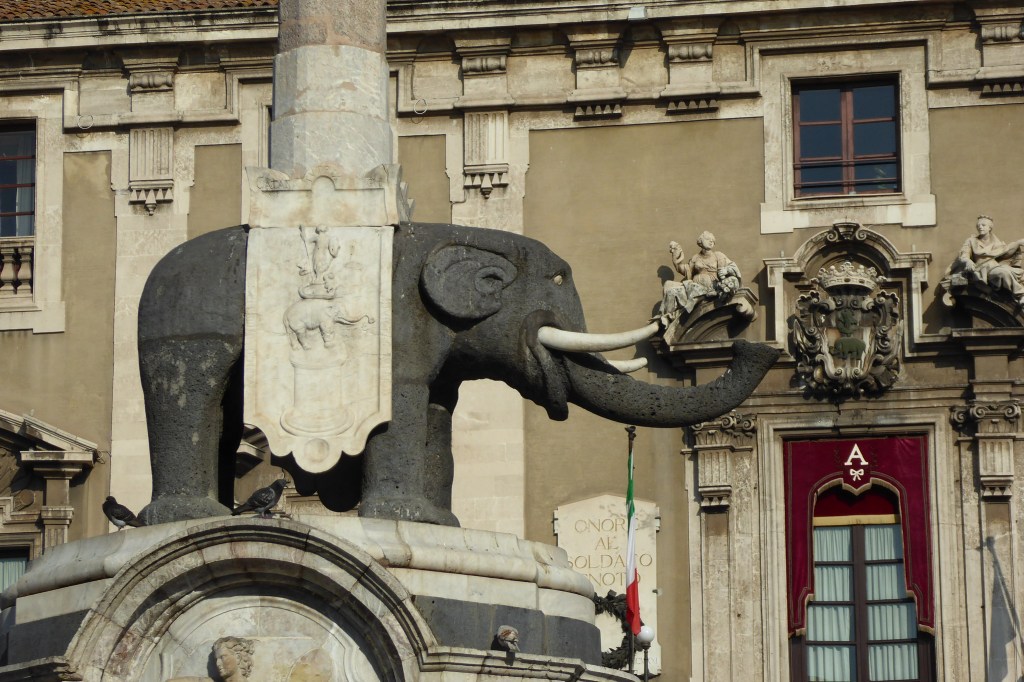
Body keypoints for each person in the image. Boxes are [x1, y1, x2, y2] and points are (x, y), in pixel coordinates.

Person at [658, 232, 741, 323]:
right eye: (708, 239)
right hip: (694, 286)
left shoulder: (718, 255)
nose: (711, 241)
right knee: (669, 289)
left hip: (710, 288)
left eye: (713, 240)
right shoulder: (695, 258)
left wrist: (726, 270)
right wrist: (676, 260)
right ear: (701, 241)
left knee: (683, 289)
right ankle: (667, 318)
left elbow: (733, 267)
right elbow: (687, 270)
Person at [950, 215, 1024, 306]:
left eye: (983, 225)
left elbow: (1006, 252)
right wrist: (968, 261)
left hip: (994, 267)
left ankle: (1020, 295)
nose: (980, 227)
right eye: (978, 225)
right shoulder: (971, 241)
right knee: (1003, 272)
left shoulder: (996, 243)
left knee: (1004, 272)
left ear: (990, 228)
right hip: (980, 269)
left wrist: (1018, 243)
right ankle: (1019, 294)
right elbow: (964, 255)